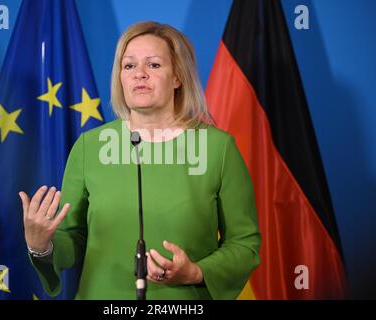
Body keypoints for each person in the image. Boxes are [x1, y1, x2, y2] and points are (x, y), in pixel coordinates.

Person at [19, 21, 261, 300]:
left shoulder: (218, 148)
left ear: (177, 77)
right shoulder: (90, 146)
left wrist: (195, 271)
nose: (140, 75)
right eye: (129, 66)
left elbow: (245, 243)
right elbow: (72, 237)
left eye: (154, 65)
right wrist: (41, 246)